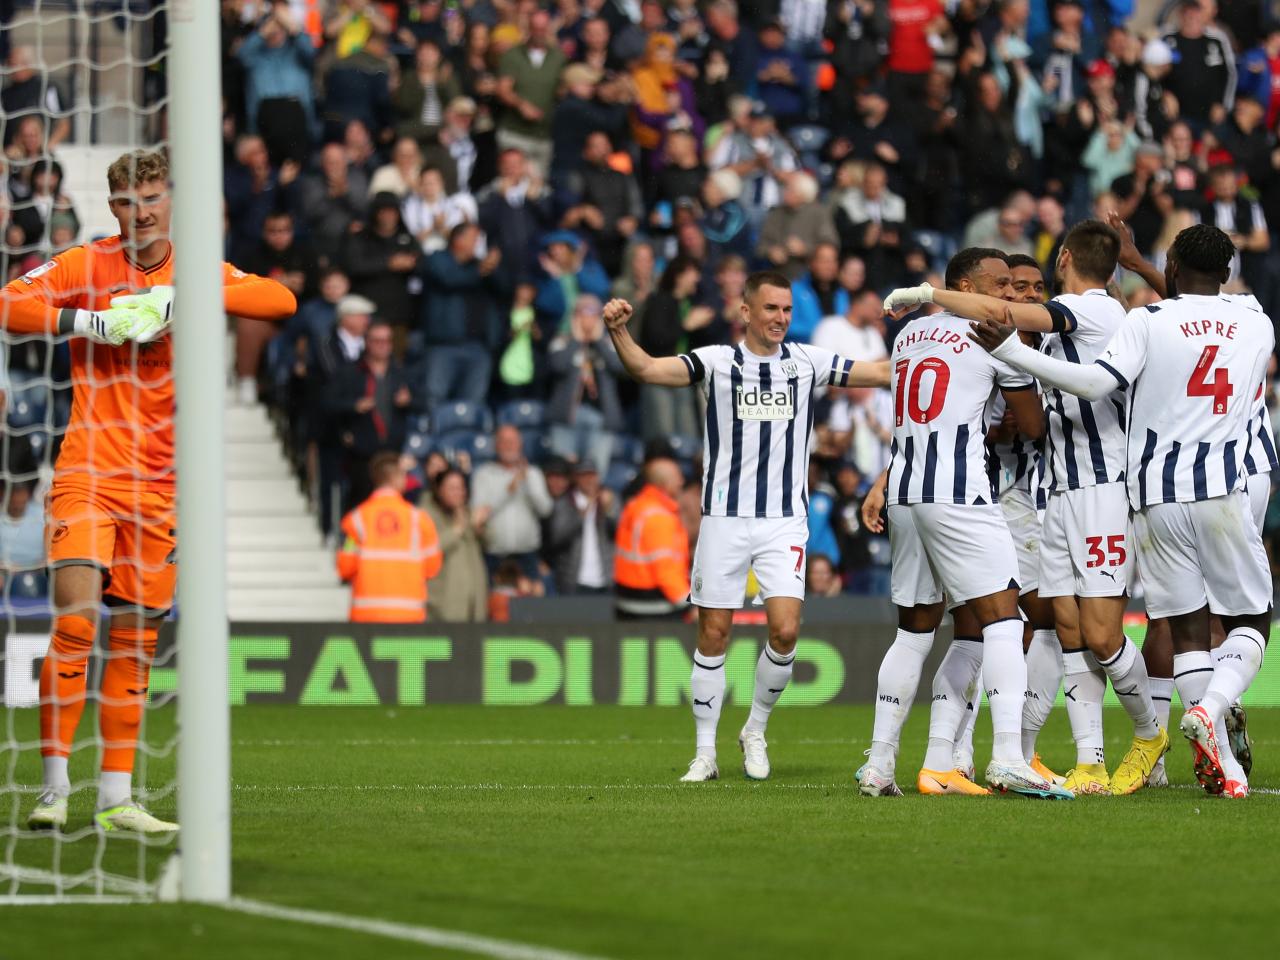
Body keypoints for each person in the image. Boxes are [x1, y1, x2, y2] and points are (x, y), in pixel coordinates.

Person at [7, 149, 296, 834]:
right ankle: (54, 789)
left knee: (136, 642)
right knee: (77, 622)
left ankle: (116, 799)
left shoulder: (196, 272)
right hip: (86, 472)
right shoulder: (87, 264)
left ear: (172, 202)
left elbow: (279, 300)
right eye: (128, 203)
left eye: (153, 200)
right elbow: (8, 303)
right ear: (112, 207)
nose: (140, 215)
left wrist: (182, 297)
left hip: (160, 486)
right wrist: (88, 323)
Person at [968, 223, 1272, 799]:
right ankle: (1168, 736)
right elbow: (1200, 303)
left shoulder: (1134, 318)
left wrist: (945, 305)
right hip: (1206, 485)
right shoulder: (1256, 319)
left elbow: (1096, 381)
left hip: (1136, 487)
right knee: (1226, 621)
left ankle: (1163, 734)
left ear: (1172, 266)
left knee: (1158, 630)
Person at [884, 220, 1168, 796]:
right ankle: (1085, 757)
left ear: (1063, 260)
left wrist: (928, 296)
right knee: (1063, 627)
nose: (1026, 296)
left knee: (1101, 633)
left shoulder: (1092, 310)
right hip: (1051, 490)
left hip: (1100, 486)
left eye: (1035, 286)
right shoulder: (1063, 321)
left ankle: (1148, 734)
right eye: (1015, 286)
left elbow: (1034, 359)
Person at [603, 271, 891, 783]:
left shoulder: (808, 362)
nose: (780, 318)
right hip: (724, 520)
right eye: (770, 309)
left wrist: (940, 342)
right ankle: (705, 754)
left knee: (784, 630)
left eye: (785, 309)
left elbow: (879, 372)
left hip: (784, 521)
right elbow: (646, 369)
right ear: (746, 312)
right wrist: (619, 332)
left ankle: (754, 729)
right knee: (714, 634)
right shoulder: (715, 362)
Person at [858, 248, 1060, 799]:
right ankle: (1008, 758)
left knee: (913, 632)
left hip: (904, 489)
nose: (1005, 296)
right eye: (996, 284)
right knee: (1004, 620)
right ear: (965, 285)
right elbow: (1033, 426)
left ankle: (879, 766)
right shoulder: (988, 333)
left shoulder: (907, 337)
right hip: (959, 492)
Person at [337, 451, 442, 624]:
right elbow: (433, 568)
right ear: (397, 478)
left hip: (367, 616)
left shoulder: (356, 520)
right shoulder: (419, 519)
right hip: (408, 615)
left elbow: (345, 567)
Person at [545, 294, 625, 473]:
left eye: (594, 314)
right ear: (574, 317)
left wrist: (597, 341)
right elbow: (557, 366)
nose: (588, 319)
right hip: (566, 418)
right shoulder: (562, 340)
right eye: (583, 313)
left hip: (601, 417)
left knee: (594, 474)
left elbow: (619, 367)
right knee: (562, 471)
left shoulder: (610, 342)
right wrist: (576, 340)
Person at [470, 425, 554, 575]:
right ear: (496, 446)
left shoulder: (534, 473)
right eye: (504, 441)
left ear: (520, 444)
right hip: (494, 556)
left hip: (527, 556)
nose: (509, 446)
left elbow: (545, 510)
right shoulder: (483, 474)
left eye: (513, 441)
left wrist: (527, 480)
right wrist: (509, 489)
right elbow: (479, 514)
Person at [613, 456, 690, 619]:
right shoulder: (658, 517)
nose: (682, 482)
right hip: (653, 609)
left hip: (627, 602)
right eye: (678, 477)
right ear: (665, 483)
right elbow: (665, 571)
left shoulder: (635, 506)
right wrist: (688, 604)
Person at [420, 467, 489, 621]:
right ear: (438, 490)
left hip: (473, 603)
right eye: (452, 488)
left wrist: (480, 528)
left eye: (461, 487)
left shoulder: (468, 512)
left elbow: (490, 545)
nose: (458, 492)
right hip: (441, 605)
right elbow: (428, 550)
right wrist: (457, 529)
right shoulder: (424, 515)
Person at [546, 461, 618, 596]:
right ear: (576, 478)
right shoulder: (564, 503)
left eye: (592, 475)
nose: (589, 480)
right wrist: (580, 517)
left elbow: (621, 533)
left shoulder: (610, 499)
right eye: (584, 476)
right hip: (574, 581)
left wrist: (609, 511)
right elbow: (557, 537)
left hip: (606, 580)